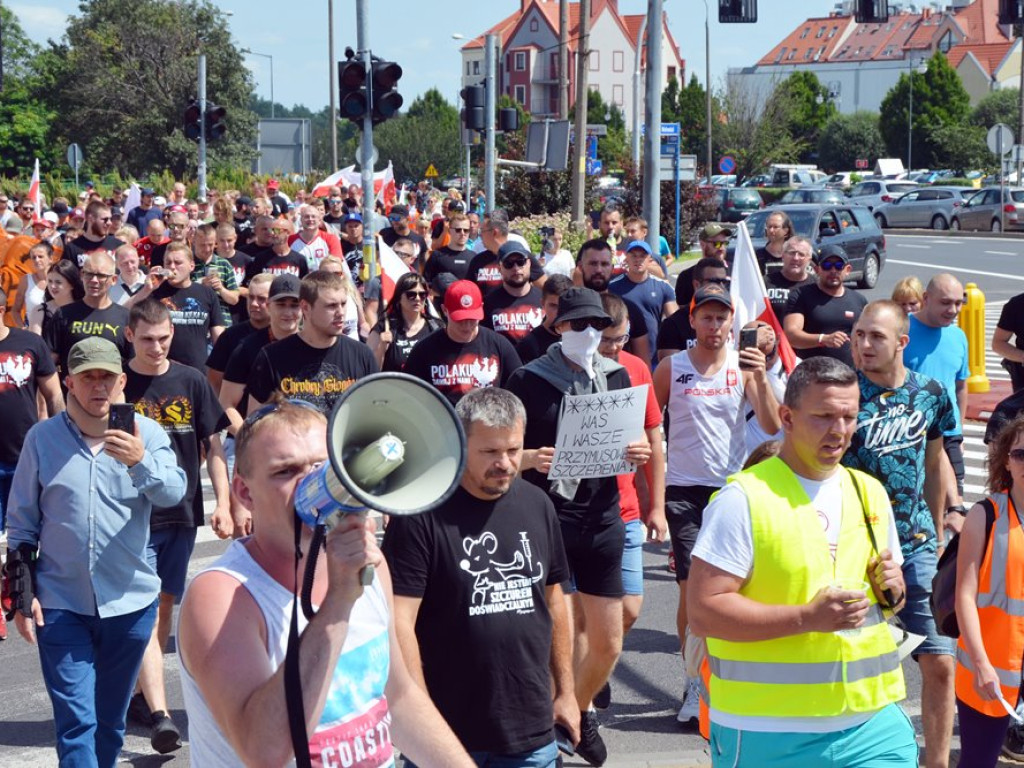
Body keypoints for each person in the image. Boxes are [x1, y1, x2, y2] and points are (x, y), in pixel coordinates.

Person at [174, 399, 476, 767]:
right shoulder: (222, 595)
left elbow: (398, 696)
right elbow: (265, 751)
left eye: (322, 466)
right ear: (244, 493)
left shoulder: (371, 566)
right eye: (286, 471)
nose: (313, 482)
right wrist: (338, 604)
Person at [686, 357, 914, 768]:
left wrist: (891, 590)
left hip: (872, 724)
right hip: (769, 731)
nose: (840, 430)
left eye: (849, 416)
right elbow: (703, 612)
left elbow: (887, 604)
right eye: (824, 416)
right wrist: (807, 618)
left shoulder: (869, 492)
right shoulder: (744, 499)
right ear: (787, 418)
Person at [5, 337, 186, 767]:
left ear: (122, 381)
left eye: (108, 377)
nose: (99, 387)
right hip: (61, 604)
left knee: (109, 723)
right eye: (88, 377)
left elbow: (175, 492)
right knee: (76, 724)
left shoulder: (148, 433)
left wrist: (140, 461)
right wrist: (20, 593)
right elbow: (22, 521)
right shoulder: (41, 439)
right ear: (69, 381)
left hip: (130, 603)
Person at [382, 387, 578, 763]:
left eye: (514, 450)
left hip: (531, 734)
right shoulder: (420, 515)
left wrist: (566, 692)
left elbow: (554, 600)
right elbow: (399, 620)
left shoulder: (539, 505)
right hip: (448, 736)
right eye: (489, 452)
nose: (504, 463)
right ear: (458, 443)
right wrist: (421, 714)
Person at [505, 286, 653, 767]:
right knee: (560, 639)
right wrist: (527, 458)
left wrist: (639, 452)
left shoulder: (616, 378)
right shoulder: (527, 380)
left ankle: (575, 710)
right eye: (579, 325)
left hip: (605, 515)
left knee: (609, 642)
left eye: (597, 326)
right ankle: (557, 723)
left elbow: (634, 439)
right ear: (559, 327)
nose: (590, 334)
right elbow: (501, 449)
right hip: (550, 517)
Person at [652, 283, 781, 725]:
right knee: (692, 589)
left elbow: (768, 424)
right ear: (692, 321)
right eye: (705, 317)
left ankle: (731, 676)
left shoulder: (743, 369)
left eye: (721, 318)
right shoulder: (673, 367)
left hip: (732, 491)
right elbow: (651, 424)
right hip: (684, 491)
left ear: (731, 323)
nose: (713, 325)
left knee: (735, 588)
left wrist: (760, 375)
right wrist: (650, 495)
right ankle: (694, 683)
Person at [843, 300, 958, 768]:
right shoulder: (843, 394)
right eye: (859, 336)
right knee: (859, 666)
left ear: (901, 343)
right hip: (854, 550)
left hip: (915, 547)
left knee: (940, 659)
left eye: (876, 337)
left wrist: (936, 527)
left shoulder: (929, 393)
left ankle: (933, 762)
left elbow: (935, 463)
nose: (864, 345)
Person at [122, 299, 231, 753]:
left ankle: (137, 693)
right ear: (130, 335)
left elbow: (214, 447)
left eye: (164, 337)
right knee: (146, 609)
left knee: (165, 605)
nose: (156, 346)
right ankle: (161, 713)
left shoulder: (190, 379)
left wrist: (224, 502)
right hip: (134, 516)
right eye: (147, 339)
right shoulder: (119, 384)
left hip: (183, 514)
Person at [598, 293, 667, 651]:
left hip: (625, 508)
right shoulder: (573, 369)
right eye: (605, 339)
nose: (612, 347)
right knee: (582, 610)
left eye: (620, 339)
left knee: (630, 607)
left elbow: (655, 441)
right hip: (579, 511)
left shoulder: (637, 368)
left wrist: (656, 506)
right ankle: (586, 681)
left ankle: (599, 661)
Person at [954, 414, 1024, 768]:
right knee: (978, 761)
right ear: (1007, 462)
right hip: (991, 670)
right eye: (1021, 454)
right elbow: (964, 595)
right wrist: (981, 663)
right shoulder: (986, 515)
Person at [247, 270, 378, 415]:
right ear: (306, 308)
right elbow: (255, 421)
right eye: (331, 306)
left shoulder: (362, 355)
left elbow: (375, 412)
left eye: (343, 304)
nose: (340, 312)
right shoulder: (271, 358)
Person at [0, 286, 64, 538]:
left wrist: (62, 436)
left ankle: (21, 578)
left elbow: (54, 395)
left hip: (24, 455)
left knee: (24, 534)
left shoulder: (29, 342)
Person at [903, 273, 969, 513]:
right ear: (926, 298)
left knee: (954, 509)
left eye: (958, 303)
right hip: (910, 433)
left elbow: (961, 386)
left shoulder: (958, 336)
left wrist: (959, 430)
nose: (953, 310)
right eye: (945, 302)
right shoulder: (902, 329)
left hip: (948, 434)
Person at [404, 280, 522, 406]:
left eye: (472, 319)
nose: (466, 325)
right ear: (444, 310)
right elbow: (410, 397)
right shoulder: (424, 350)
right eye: (459, 319)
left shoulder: (500, 346)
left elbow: (519, 392)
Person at [128, 242, 224, 371]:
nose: (172, 267)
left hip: (198, 372)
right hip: (160, 370)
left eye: (178, 263)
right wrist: (146, 290)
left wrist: (221, 367)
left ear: (191, 266)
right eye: (168, 263)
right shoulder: (154, 291)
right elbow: (123, 312)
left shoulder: (206, 293)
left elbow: (218, 335)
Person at [45, 250, 131, 378]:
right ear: (81, 275)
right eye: (89, 274)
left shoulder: (125, 317)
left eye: (101, 275)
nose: (94, 280)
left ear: (113, 280)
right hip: (71, 393)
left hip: (111, 393)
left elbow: (132, 362)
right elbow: (49, 363)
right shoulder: (63, 314)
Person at [783, 244, 867, 369]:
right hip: (812, 374)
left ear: (847, 270)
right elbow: (791, 335)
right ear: (817, 270)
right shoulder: (801, 295)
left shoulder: (859, 300)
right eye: (827, 266)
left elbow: (866, 336)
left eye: (839, 266)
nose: (833, 271)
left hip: (849, 376)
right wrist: (823, 339)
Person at [577, 238, 651, 365]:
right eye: (593, 264)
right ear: (580, 266)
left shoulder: (630, 309)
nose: (599, 270)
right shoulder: (568, 311)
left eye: (605, 264)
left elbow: (643, 365)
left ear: (612, 268)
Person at [608, 240, 677, 365]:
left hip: (655, 357)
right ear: (626, 258)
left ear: (650, 259)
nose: (637, 259)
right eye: (633, 255)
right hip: (621, 355)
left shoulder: (663, 287)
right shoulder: (612, 287)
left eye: (642, 256)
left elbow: (675, 321)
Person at [206, 273, 272, 393]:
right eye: (251, 297)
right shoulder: (229, 336)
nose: (254, 303)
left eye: (261, 299)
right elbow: (213, 384)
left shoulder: (284, 336)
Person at [367, 272, 442, 372]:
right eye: (411, 294)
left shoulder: (436, 327)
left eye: (422, 294)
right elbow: (369, 370)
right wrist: (382, 347)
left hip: (425, 387)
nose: (417, 299)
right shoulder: (384, 327)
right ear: (399, 298)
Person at [657, 258, 730, 361]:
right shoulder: (673, 325)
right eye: (715, 281)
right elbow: (672, 371)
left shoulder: (733, 316)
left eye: (724, 282)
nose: (720, 286)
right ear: (696, 285)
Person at [481, 241, 545, 346]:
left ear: (529, 264)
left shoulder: (544, 300)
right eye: (509, 264)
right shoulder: (488, 303)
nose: (515, 268)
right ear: (500, 268)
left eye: (520, 262)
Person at [467, 210, 543, 296]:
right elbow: (469, 292)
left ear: (494, 232)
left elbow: (545, 287)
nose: (480, 236)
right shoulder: (477, 261)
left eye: (482, 231)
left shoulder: (522, 257)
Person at [518, 274, 573, 364]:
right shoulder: (529, 344)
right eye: (553, 306)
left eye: (564, 306)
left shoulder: (581, 337)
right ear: (543, 304)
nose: (558, 312)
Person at [191, 223, 240, 324]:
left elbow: (234, 299)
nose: (207, 249)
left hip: (222, 322)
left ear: (215, 242)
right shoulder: (186, 264)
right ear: (193, 242)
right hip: (195, 321)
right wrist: (200, 285)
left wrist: (221, 288)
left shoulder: (224, 264)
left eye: (210, 245)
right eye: (202, 245)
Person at [674, 223, 733, 307]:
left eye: (725, 243)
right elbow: (682, 311)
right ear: (702, 244)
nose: (721, 248)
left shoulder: (735, 272)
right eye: (717, 243)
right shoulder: (687, 276)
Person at [28, 259, 83, 337]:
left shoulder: (84, 310)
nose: (52, 286)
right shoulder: (39, 311)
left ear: (72, 284)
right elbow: (36, 344)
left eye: (58, 282)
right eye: (50, 281)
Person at [62, 201, 124, 268]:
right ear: (91, 219)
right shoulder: (72, 248)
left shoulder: (119, 246)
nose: (109, 223)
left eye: (110, 219)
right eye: (105, 219)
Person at [244, 216, 309, 280]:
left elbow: (304, 284)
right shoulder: (261, 258)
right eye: (271, 230)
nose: (272, 233)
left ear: (288, 233)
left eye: (276, 230)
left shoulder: (299, 259)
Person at [765, 235, 813, 320]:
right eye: (791, 253)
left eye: (801, 254)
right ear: (783, 255)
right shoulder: (764, 283)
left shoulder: (816, 285)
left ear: (809, 259)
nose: (795, 258)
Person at [290, 204, 342, 272]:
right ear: (301, 220)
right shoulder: (290, 240)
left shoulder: (331, 239)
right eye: (306, 217)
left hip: (324, 280)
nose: (310, 219)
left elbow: (337, 264)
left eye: (313, 216)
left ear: (320, 220)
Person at [12, 241, 53, 327]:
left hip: (54, 333)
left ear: (50, 259)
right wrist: (23, 329)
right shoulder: (26, 280)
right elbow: (15, 310)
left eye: (40, 256)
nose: (37, 260)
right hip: (32, 333)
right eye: (33, 257)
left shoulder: (61, 279)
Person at [424, 211, 473, 282]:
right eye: (458, 230)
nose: (462, 233)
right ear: (449, 230)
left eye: (466, 230)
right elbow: (427, 282)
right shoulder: (437, 256)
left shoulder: (474, 257)